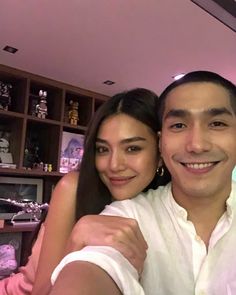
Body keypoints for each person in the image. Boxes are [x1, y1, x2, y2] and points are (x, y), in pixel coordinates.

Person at [50, 70, 236, 295]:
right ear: (162, 143)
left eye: (216, 123)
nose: (196, 145)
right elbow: (94, 266)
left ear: (156, 150)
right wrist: (77, 242)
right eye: (178, 125)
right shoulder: (119, 213)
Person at [0, 87, 168, 295]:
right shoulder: (73, 188)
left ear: (160, 152)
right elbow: (40, 291)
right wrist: (77, 237)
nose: (114, 165)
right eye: (102, 149)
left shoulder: (163, 206)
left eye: (132, 148)